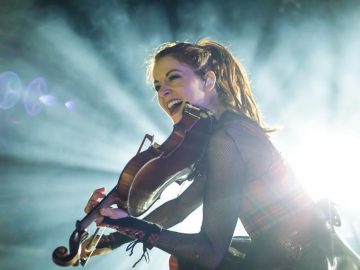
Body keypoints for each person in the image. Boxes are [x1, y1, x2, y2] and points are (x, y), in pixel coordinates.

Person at [82, 39, 356, 270]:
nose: (163, 91)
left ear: (208, 80)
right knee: (184, 261)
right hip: (290, 255)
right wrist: (108, 237)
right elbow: (179, 208)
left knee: (190, 262)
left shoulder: (230, 138)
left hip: (305, 260)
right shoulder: (222, 135)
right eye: (157, 86)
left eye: (173, 77)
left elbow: (209, 251)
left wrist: (130, 226)